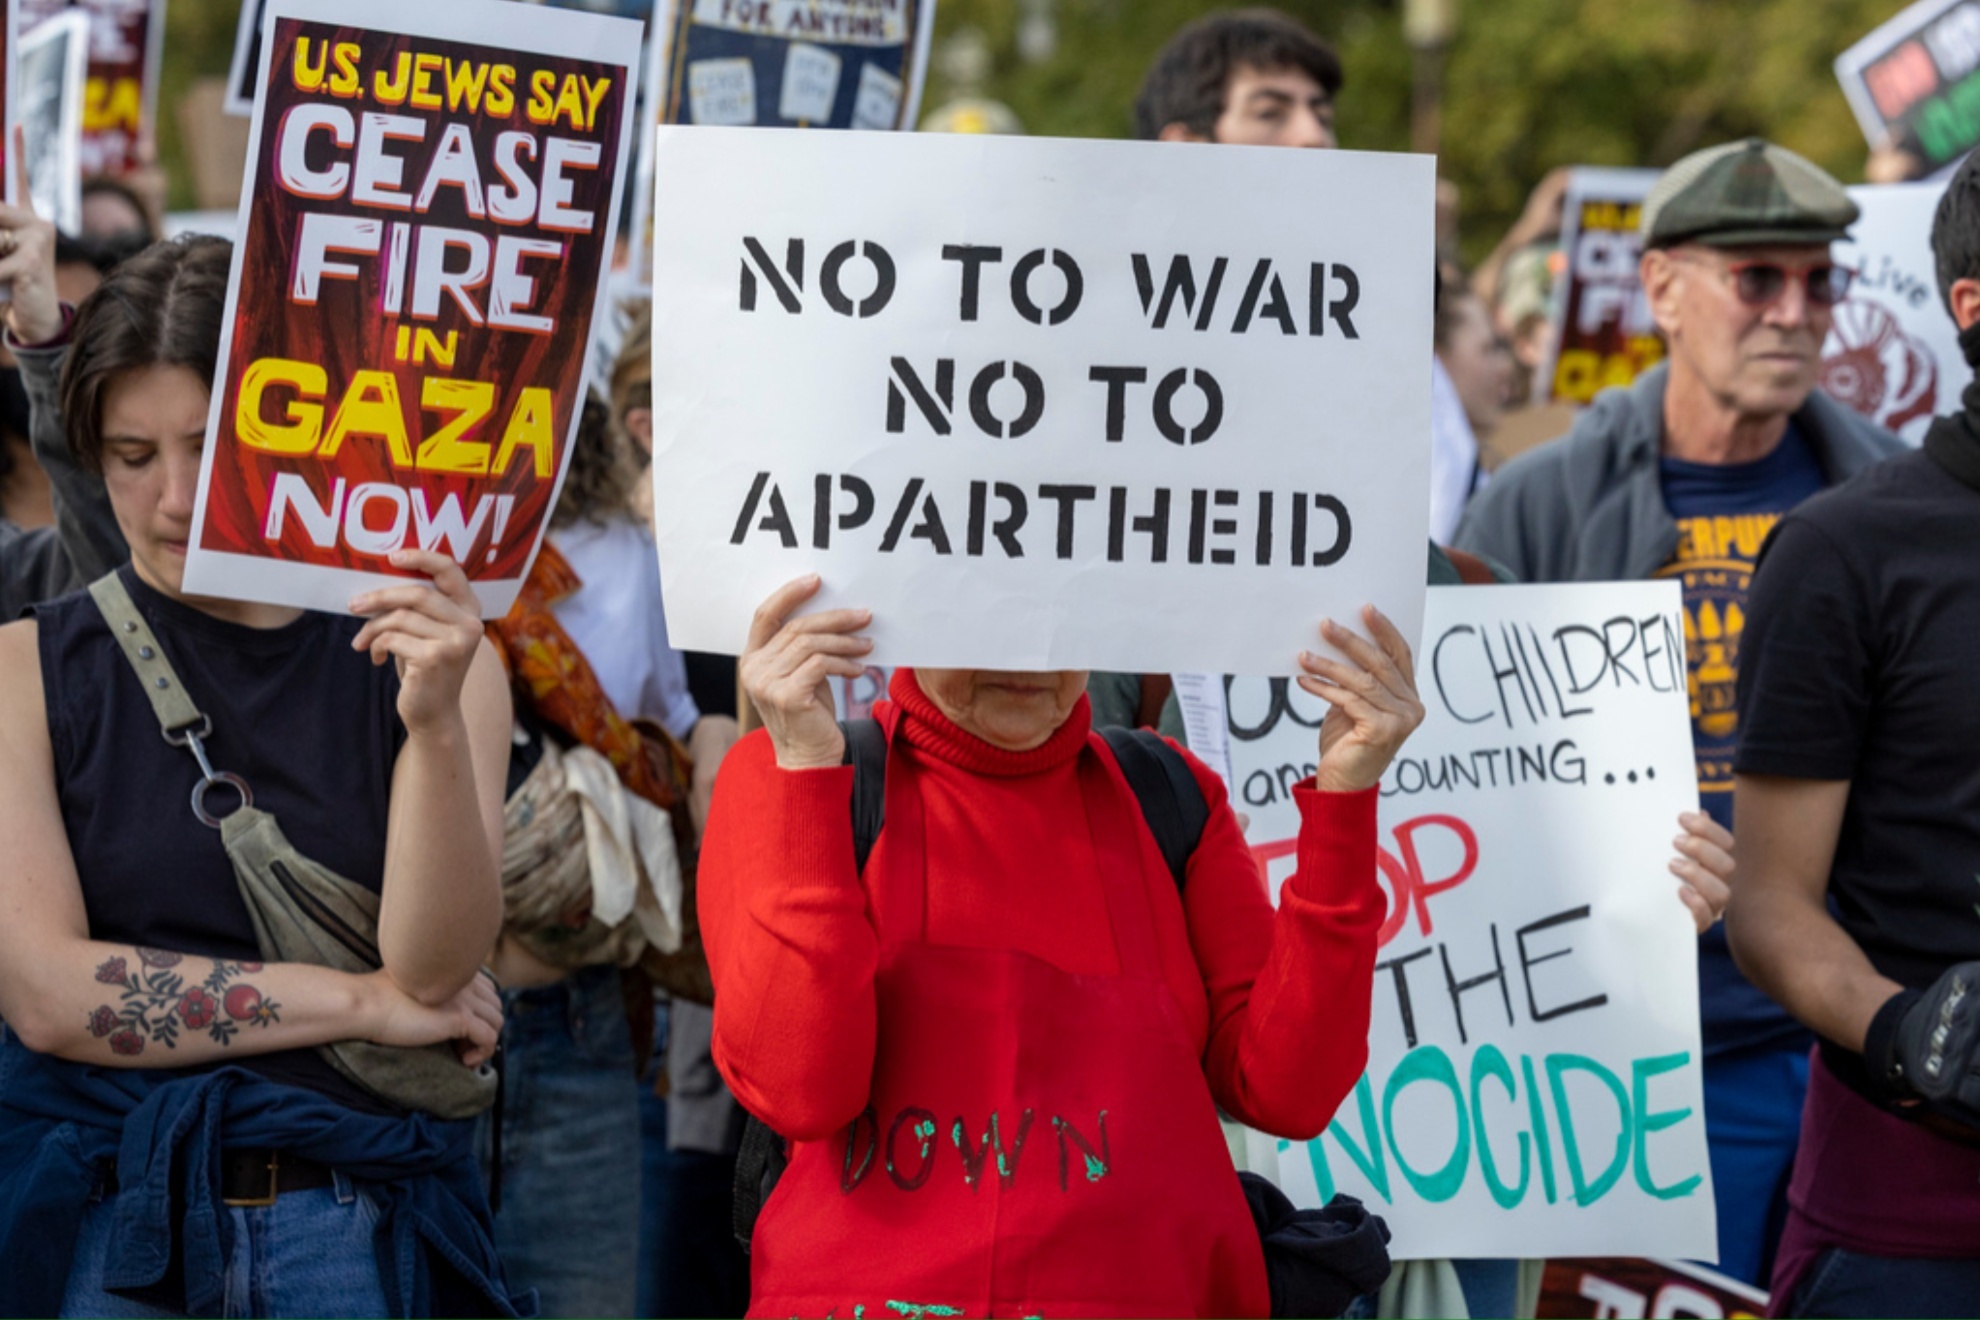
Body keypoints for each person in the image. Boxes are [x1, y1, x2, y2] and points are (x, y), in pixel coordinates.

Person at [0, 225, 525, 1313]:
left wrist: (429, 724)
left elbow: (436, 966)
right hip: (115, 1227)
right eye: (133, 458)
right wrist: (358, 1005)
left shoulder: (431, 654)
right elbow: (49, 995)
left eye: (210, 444)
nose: (177, 499)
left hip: (355, 1228)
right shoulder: (25, 669)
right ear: (88, 452)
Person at [701, 575, 1424, 1318]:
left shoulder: (1171, 796)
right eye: (984, 610)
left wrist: (1343, 803)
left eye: (1057, 608)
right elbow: (801, 1091)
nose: (1026, 654)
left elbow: (1290, 1091)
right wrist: (805, 780)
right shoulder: (792, 780)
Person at [1454, 137, 1905, 1286]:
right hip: (1619, 1064)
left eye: (1821, 280)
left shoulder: (1890, 498)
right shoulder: (1534, 503)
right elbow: (1457, 779)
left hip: (1848, 1047)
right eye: (1758, 279)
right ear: (1661, 288)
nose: (1796, 312)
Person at [1728, 149, 1980, 1317]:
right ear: (1972, 306)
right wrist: (1903, 1032)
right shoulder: (1845, 553)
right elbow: (1770, 902)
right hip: (1910, 1222)